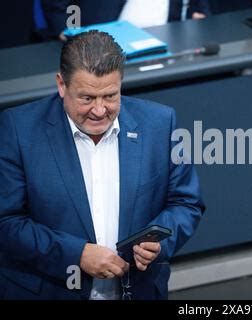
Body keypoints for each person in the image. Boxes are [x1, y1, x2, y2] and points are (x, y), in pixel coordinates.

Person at [0, 30, 204, 300]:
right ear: (62, 85)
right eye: (86, 98)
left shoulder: (159, 123)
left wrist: (159, 243)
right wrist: (77, 254)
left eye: (110, 96)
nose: (99, 110)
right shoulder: (18, 129)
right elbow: (7, 221)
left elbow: (185, 203)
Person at [41, 0, 211, 40]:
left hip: (169, 42)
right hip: (100, 48)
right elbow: (62, 5)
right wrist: (70, 28)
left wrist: (199, 11)